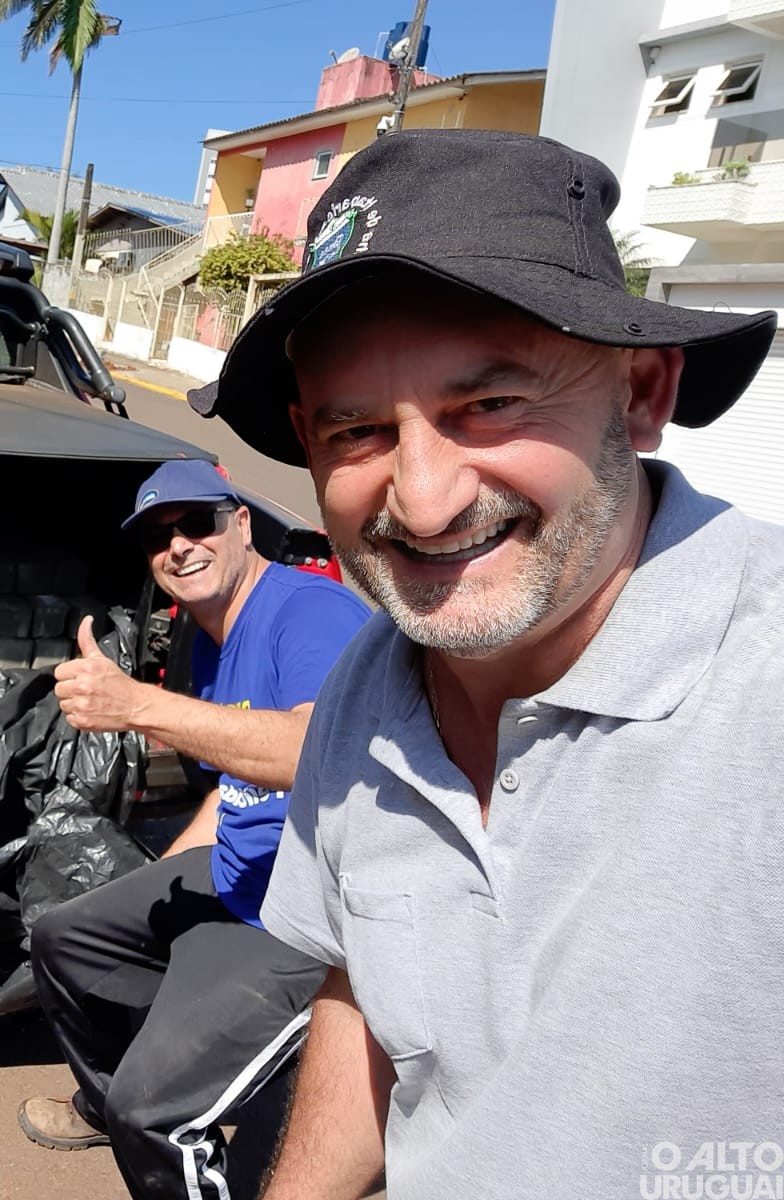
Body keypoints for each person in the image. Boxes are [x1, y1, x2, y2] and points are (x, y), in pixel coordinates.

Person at [188, 128, 784, 1199]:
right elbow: (365, 997)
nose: (422, 501)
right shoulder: (368, 686)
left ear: (642, 393)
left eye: (491, 405)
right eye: (357, 430)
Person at [18, 458, 369, 1200]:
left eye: (196, 523)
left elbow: (313, 752)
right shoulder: (207, 638)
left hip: (308, 909)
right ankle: (112, 1102)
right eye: (157, 537)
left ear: (242, 523)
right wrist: (157, 890)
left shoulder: (308, 610)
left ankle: (155, 1117)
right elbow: (234, 781)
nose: (177, 546)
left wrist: (138, 705)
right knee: (64, 937)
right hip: (241, 868)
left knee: (155, 1114)